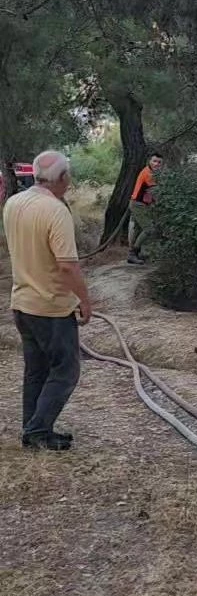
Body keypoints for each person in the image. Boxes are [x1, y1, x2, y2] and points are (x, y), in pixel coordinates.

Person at [2, 151, 92, 451]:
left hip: (22, 302)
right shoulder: (55, 211)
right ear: (63, 178)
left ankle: (33, 428)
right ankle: (38, 430)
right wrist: (85, 299)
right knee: (66, 370)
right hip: (50, 307)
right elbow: (67, 265)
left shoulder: (13, 203)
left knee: (36, 370)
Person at [127, 151, 163, 265]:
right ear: (149, 161)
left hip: (142, 204)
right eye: (154, 161)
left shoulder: (153, 173)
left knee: (138, 229)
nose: (157, 164)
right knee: (149, 229)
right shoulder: (148, 173)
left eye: (159, 162)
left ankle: (135, 254)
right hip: (138, 205)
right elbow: (156, 192)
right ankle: (133, 253)